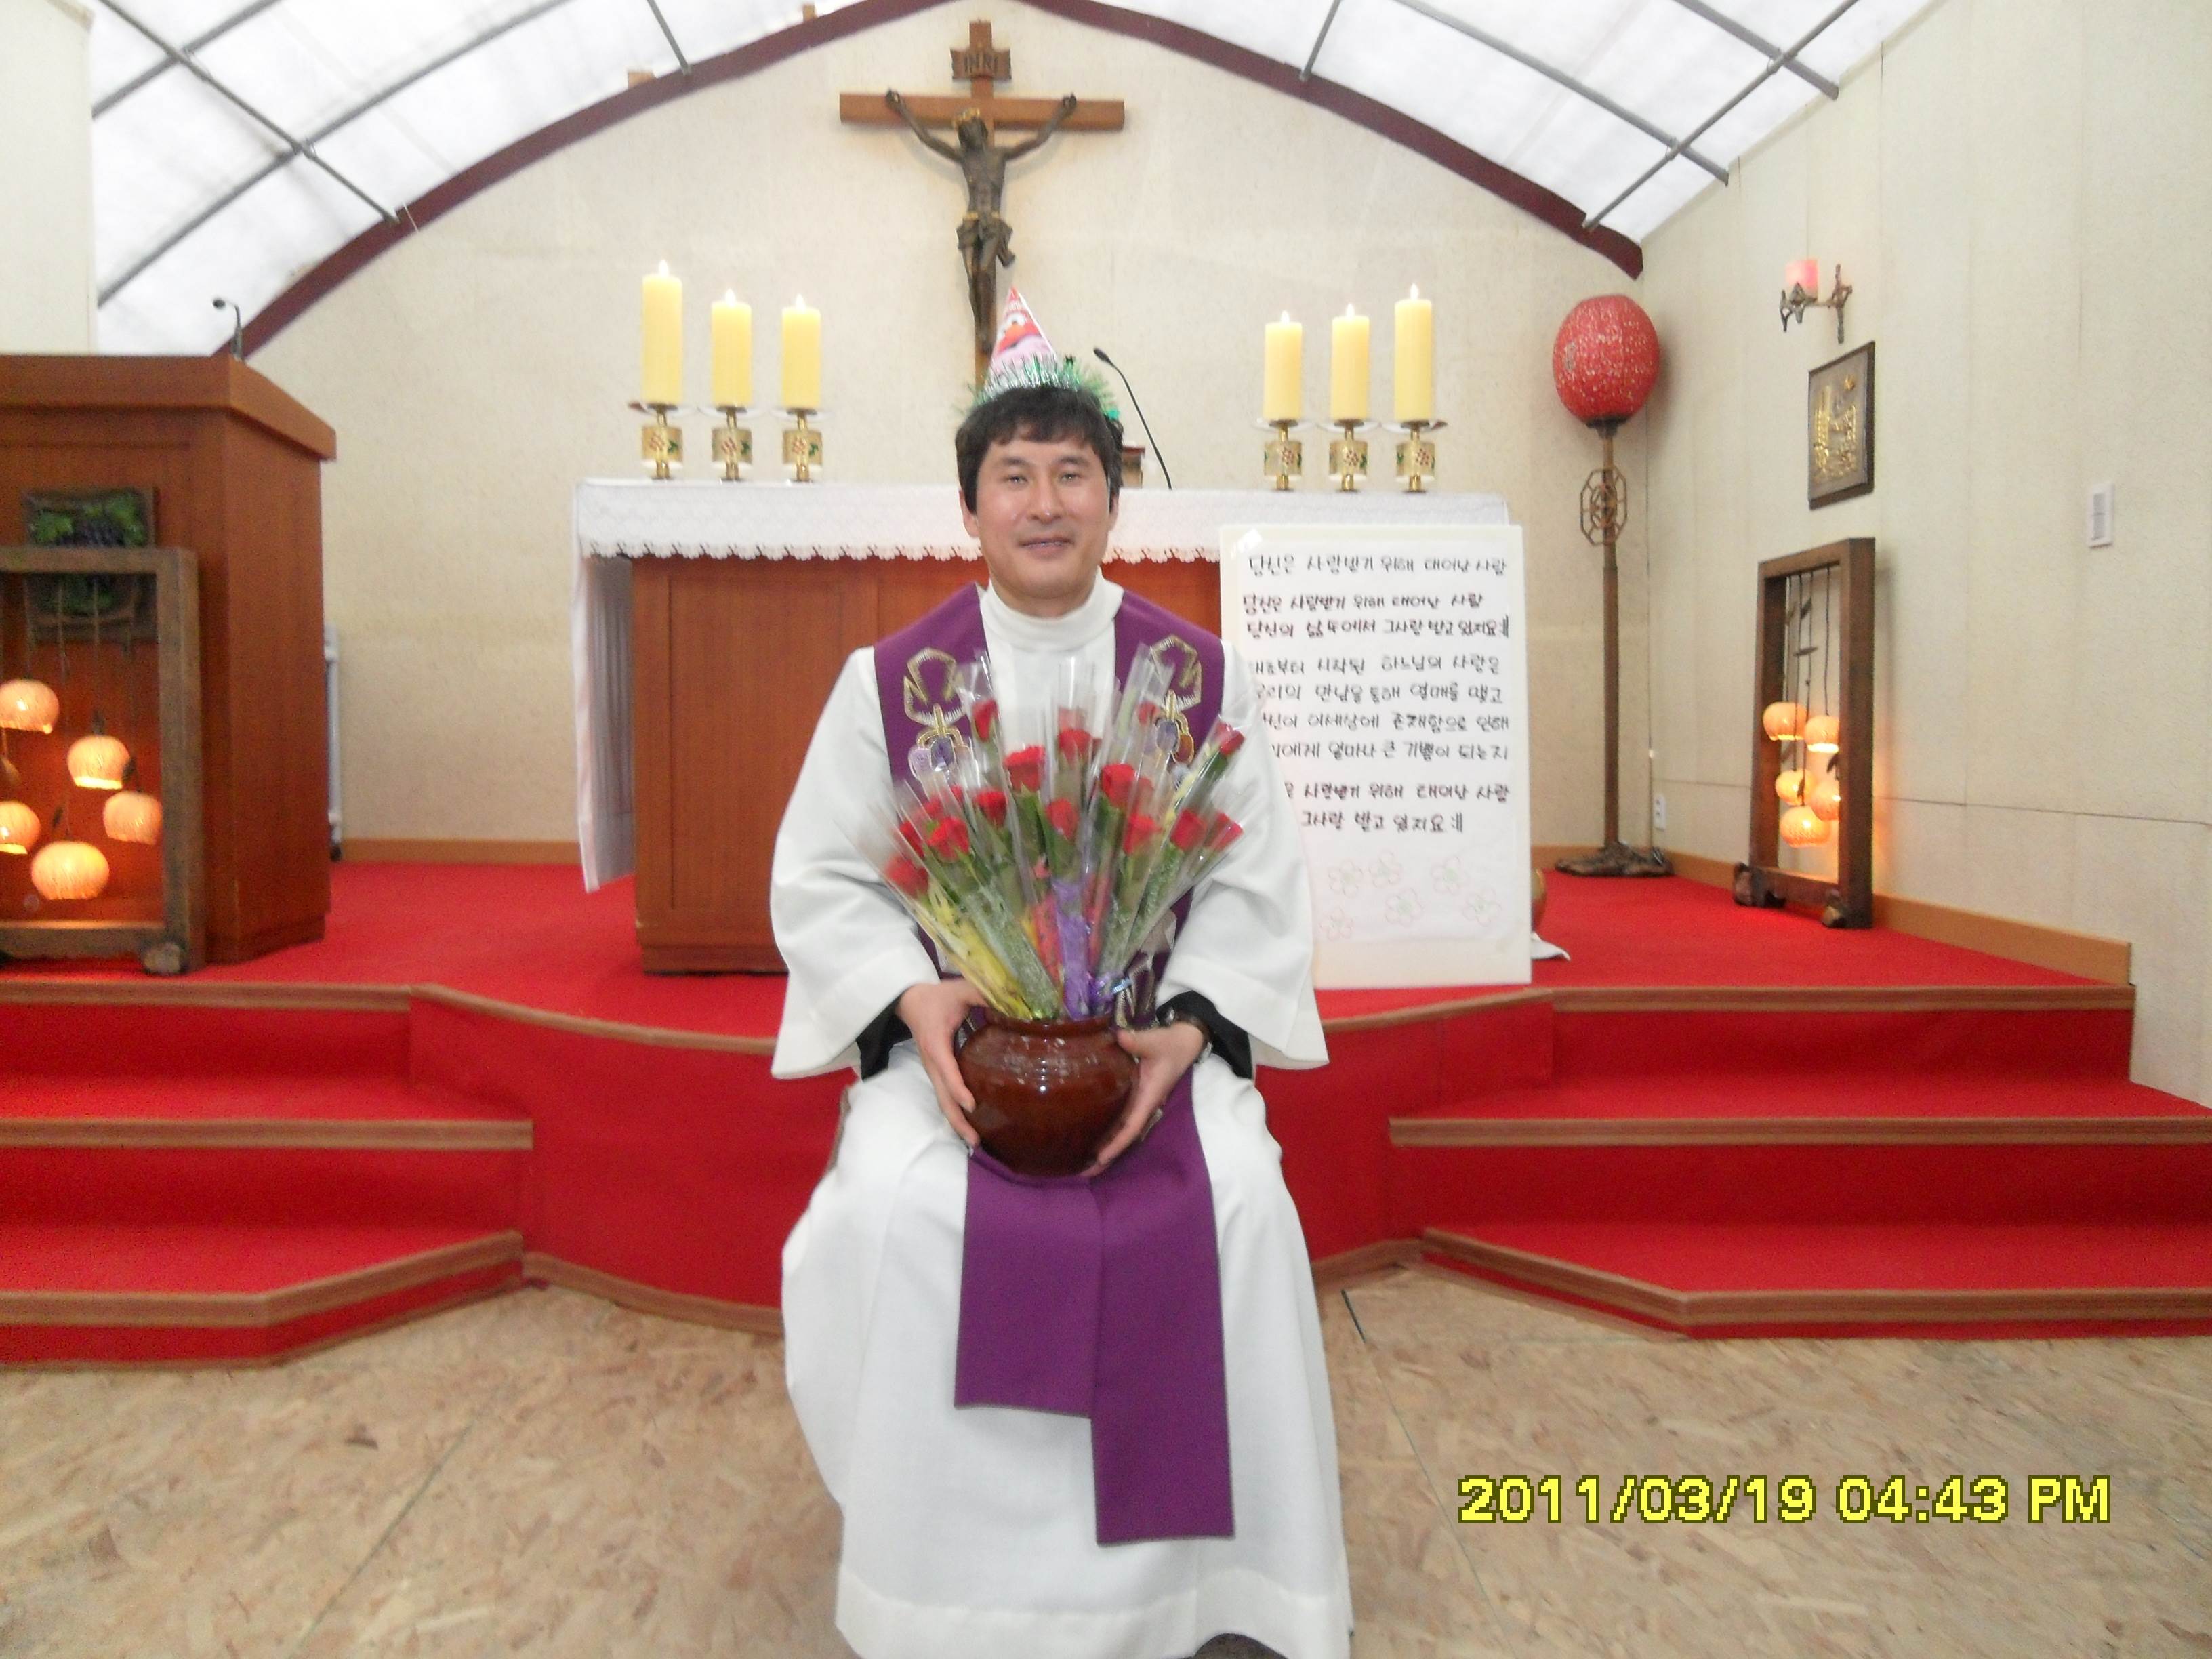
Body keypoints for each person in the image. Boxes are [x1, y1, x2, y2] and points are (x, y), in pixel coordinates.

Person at [769, 368, 1351, 1659]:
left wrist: (1188, 1033)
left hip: (1150, 1044)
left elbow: (1255, 884)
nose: (1045, 504)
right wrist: (914, 998)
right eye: (1015, 477)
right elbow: (820, 879)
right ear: (969, 508)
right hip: (959, 1055)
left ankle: (1210, 1587)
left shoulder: (1199, 680)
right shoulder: (891, 685)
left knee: (1243, 1202)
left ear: (1114, 500)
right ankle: (942, 1587)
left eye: (1072, 474)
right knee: (890, 1209)